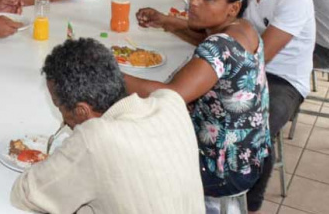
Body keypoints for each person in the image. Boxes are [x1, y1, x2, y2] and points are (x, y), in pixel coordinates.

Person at [173, 0, 314, 213]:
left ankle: (249, 204)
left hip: (281, 77)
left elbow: (256, 54)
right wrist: (181, 10)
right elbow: (224, 44)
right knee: (200, 110)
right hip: (246, 68)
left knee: (257, 127)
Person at [11, 38, 204, 214]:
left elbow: (26, 194)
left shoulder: (95, 138)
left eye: (58, 106)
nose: (61, 117)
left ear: (81, 111)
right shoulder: (171, 102)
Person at [129, 0, 269, 203]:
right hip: (247, 157)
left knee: (126, 154)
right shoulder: (245, 29)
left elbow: (172, 95)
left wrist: (107, 73)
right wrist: (166, 22)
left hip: (218, 169)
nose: (193, 2)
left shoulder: (218, 47)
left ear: (233, 8)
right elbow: (205, 37)